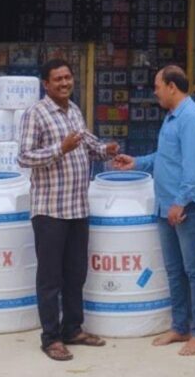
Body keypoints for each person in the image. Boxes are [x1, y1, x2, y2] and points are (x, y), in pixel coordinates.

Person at [18, 58, 119, 361]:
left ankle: (73, 329)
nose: (64, 83)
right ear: (46, 84)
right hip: (50, 210)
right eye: (57, 79)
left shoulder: (74, 110)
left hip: (77, 208)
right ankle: (51, 338)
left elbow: (88, 145)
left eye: (67, 77)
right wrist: (59, 149)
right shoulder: (36, 114)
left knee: (76, 274)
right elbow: (24, 157)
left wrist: (107, 150)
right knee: (51, 278)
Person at [113, 65, 195, 356]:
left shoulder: (190, 118)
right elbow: (166, 157)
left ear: (171, 86)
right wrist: (138, 162)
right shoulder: (171, 117)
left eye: (157, 86)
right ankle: (180, 327)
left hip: (187, 209)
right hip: (167, 206)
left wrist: (180, 202)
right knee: (174, 271)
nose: (154, 92)